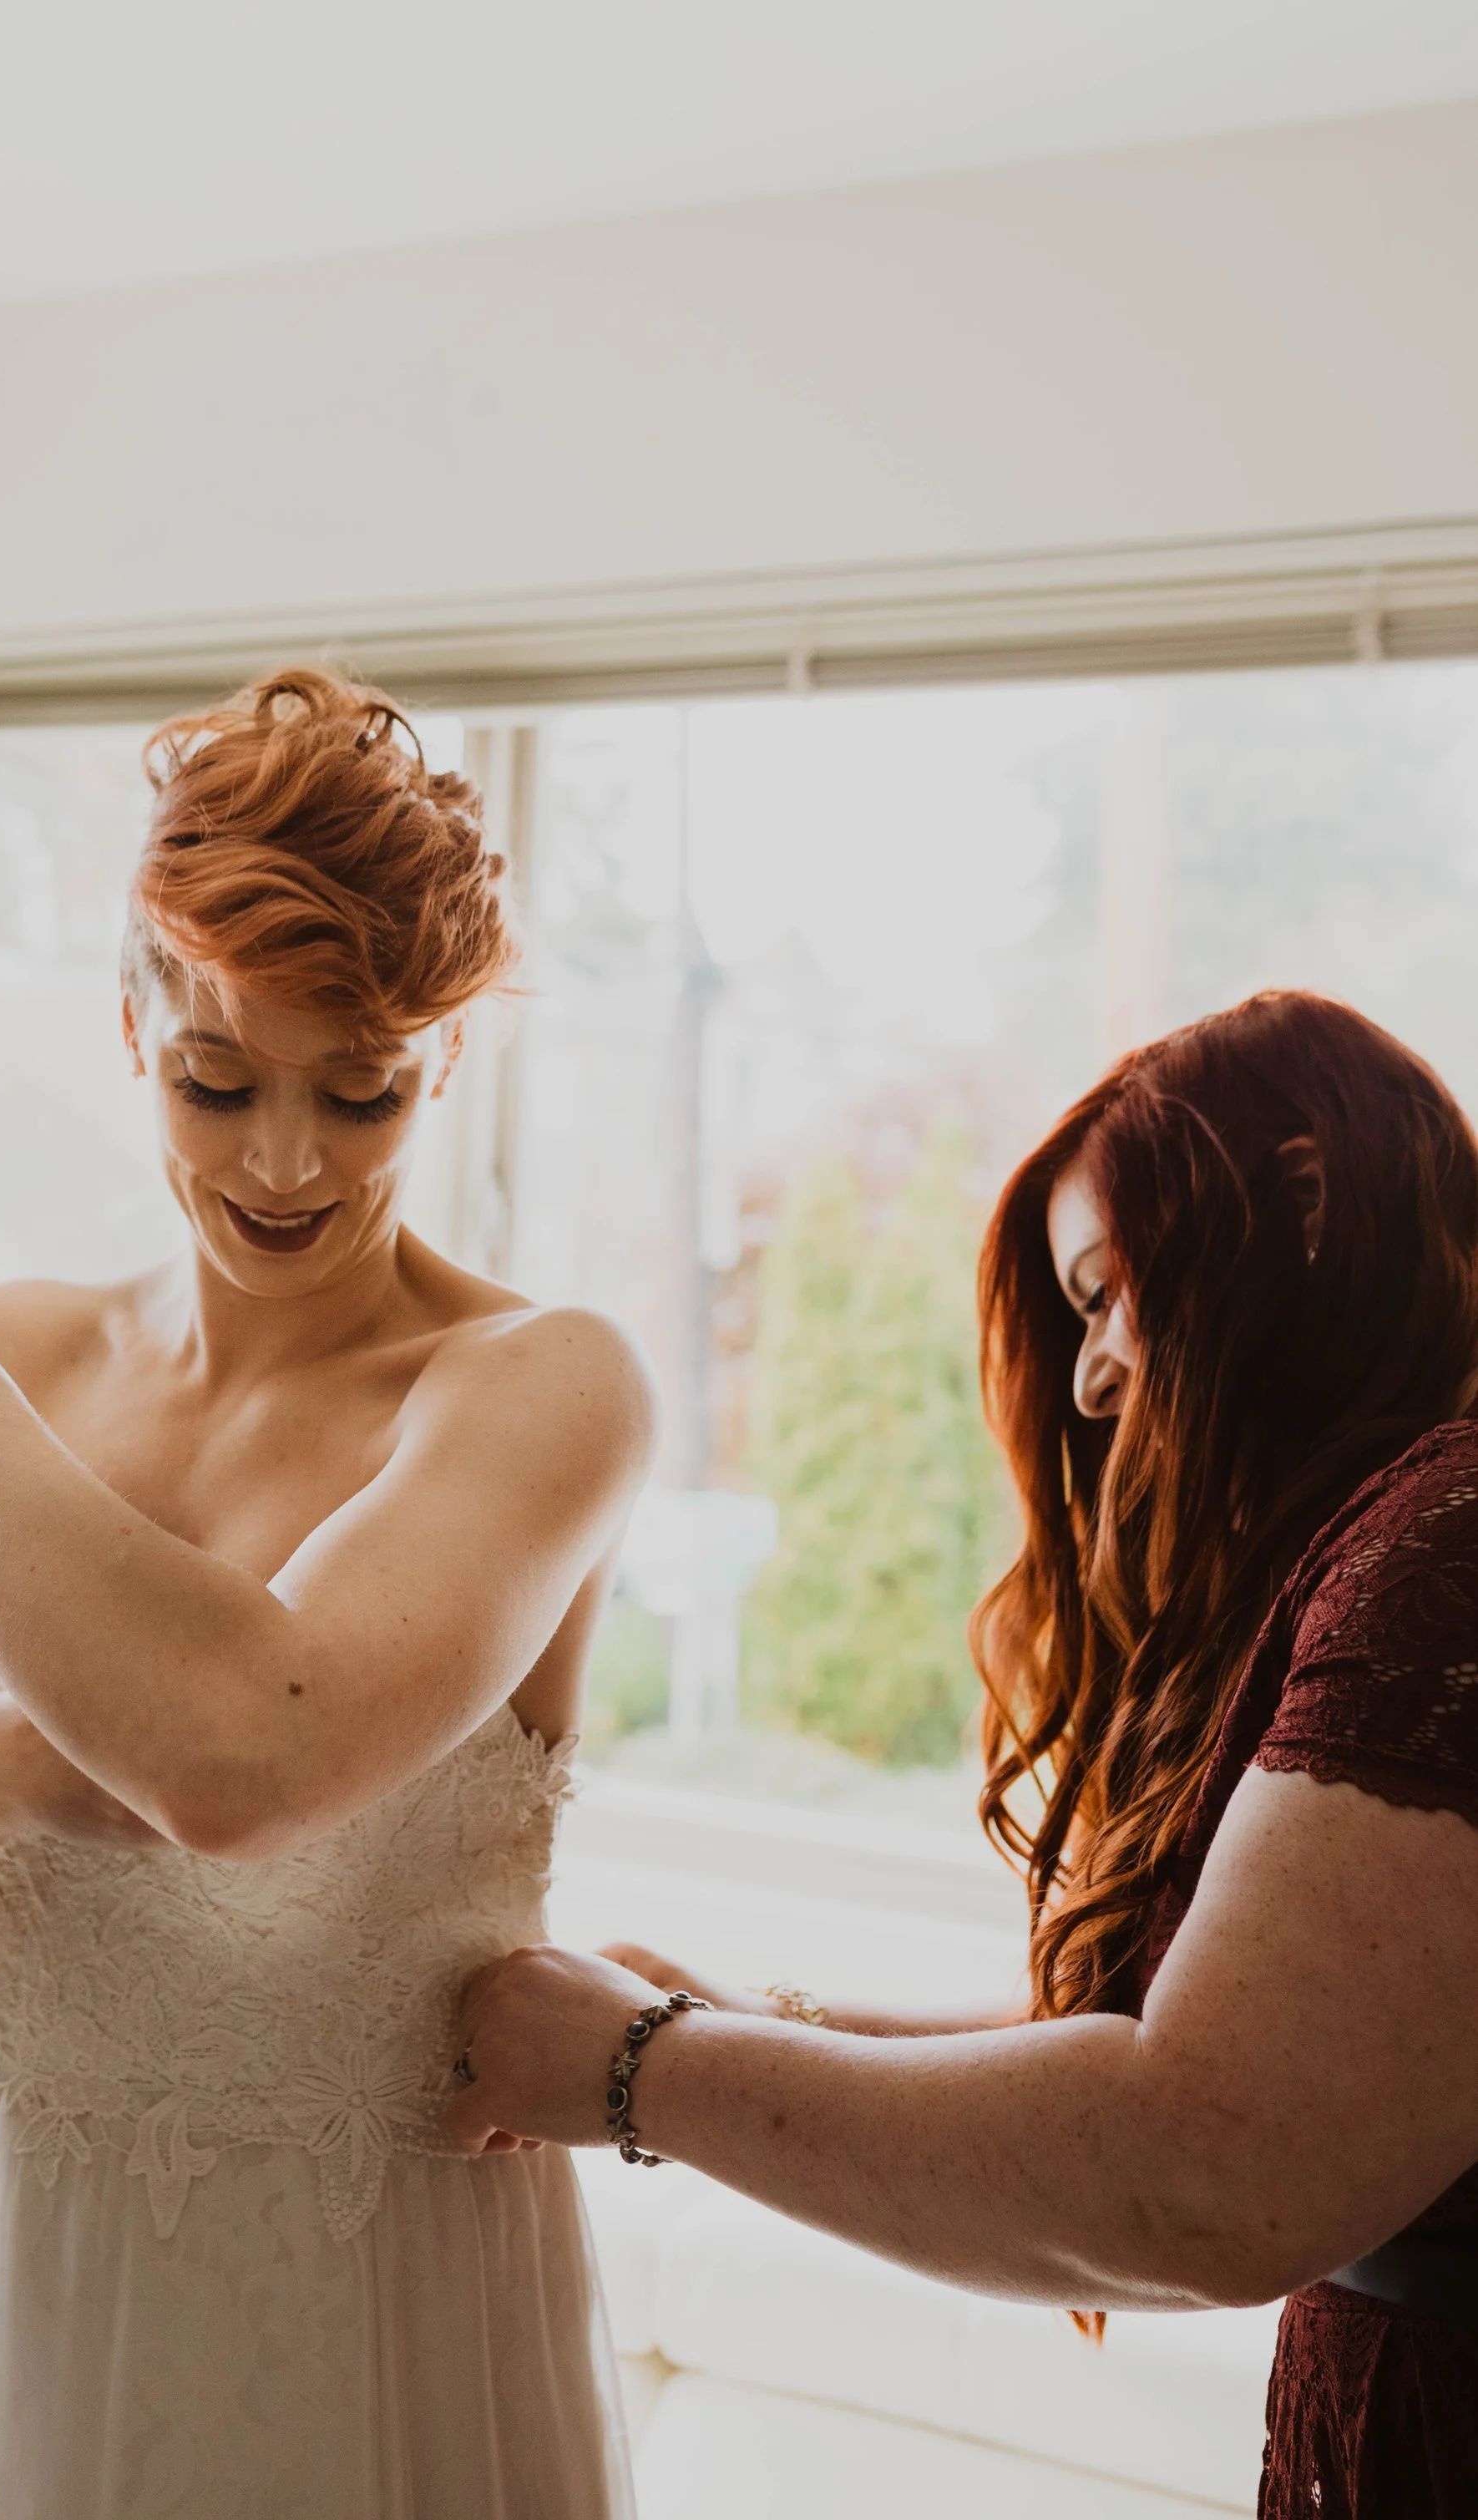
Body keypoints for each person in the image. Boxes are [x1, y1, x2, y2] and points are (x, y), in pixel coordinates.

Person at [0, 669, 649, 2520]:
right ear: (129, 1022)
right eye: (218, 1077)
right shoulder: (22, 1362)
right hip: (38, 2299)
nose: (284, 1160)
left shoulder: (543, 1385)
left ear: (443, 1058)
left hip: (386, 2328)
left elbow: (242, 1760)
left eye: (359, 1089)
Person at [448, 991, 1478, 2520]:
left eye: (1109, 1291)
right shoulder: (1403, 1529)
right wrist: (734, 2014)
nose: (1091, 1379)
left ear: (1308, 1206)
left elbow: (1211, 2160)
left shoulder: (1446, 1552)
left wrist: (634, 2072)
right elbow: (1151, 2032)